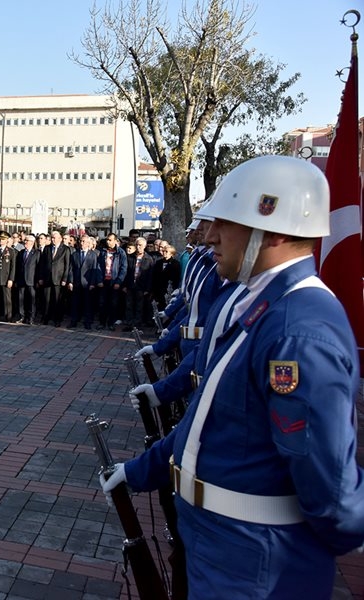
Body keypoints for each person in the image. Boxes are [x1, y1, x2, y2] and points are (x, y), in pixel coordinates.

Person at [104, 155, 364, 598]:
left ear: (274, 230)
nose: (209, 234)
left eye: (226, 222)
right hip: (225, 551)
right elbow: (210, 420)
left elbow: (328, 489)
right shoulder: (264, 308)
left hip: (258, 565)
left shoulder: (298, 330)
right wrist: (142, 470)